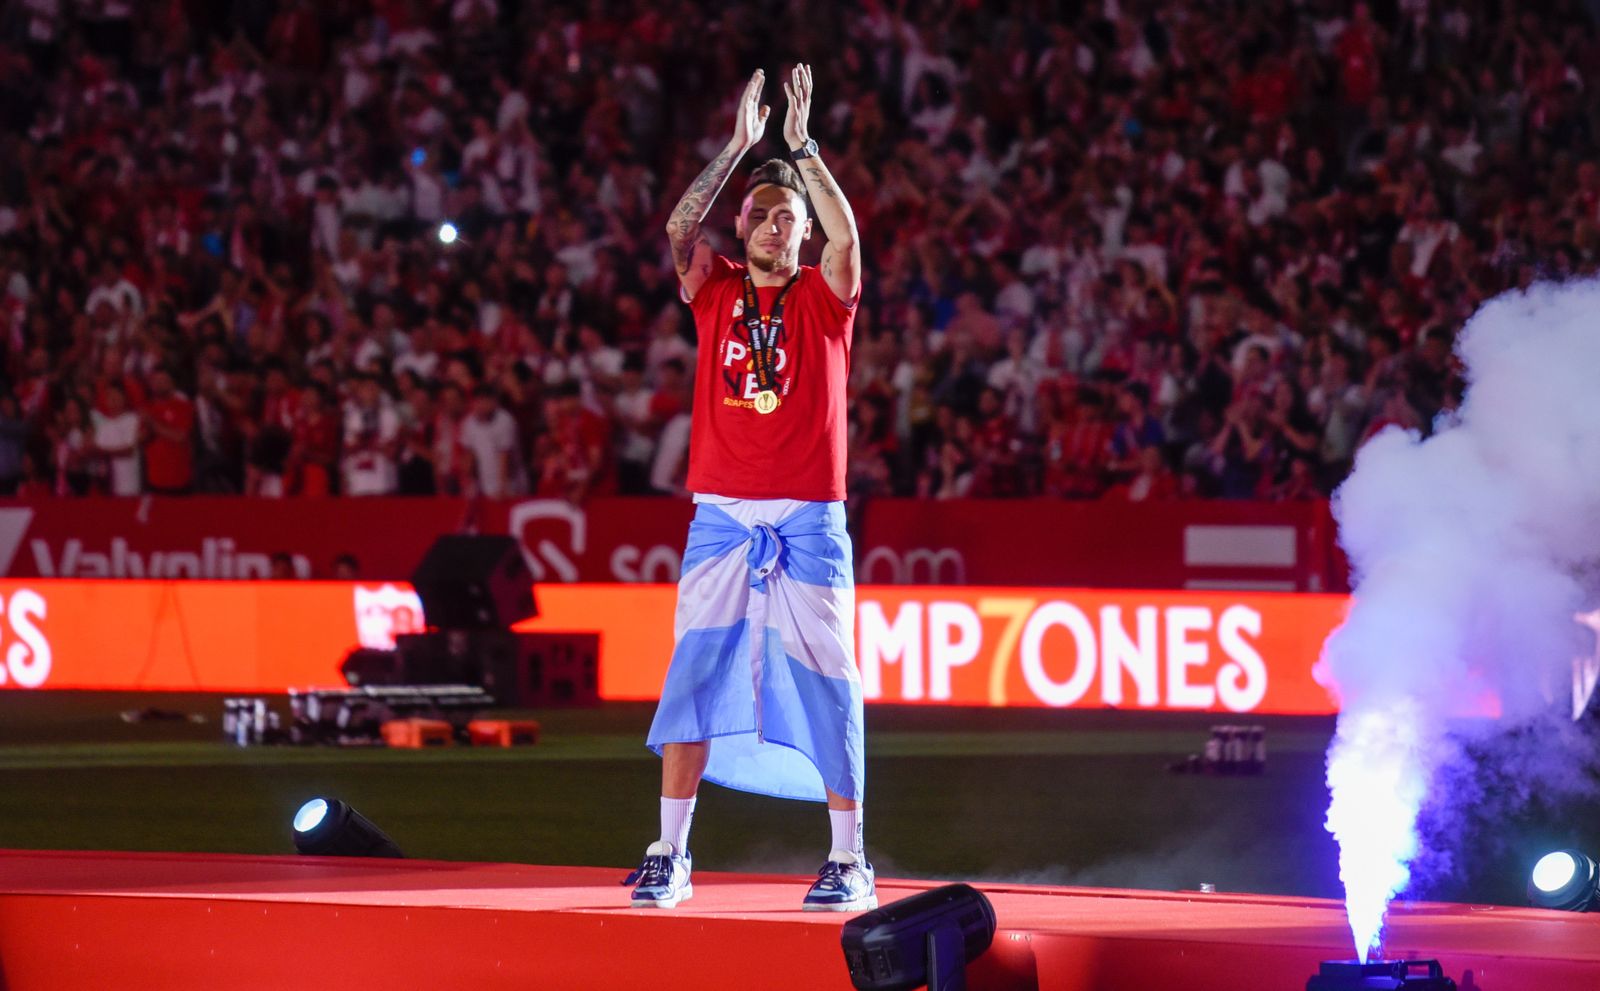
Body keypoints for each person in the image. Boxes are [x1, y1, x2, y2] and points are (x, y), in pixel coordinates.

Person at [628, 65, 872, 912]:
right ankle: (670, 850)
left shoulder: (824, 295)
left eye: (788, 217)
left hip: (808, 516)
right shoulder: (717, 289)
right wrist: (738, 147)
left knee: (829, 677)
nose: (775, 225)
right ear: (744, 226)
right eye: (762, 215)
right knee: (692, 674)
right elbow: (676, 227)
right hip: (721, 516)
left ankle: (848, 858)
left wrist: (802, 153)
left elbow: (848, 242)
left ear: (804, 232)